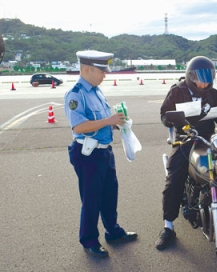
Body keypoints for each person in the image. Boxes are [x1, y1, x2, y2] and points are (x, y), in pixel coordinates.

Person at [64, 50, 137, 258]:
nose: (105, 75)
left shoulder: (97, 91)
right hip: (88, 154)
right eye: (101, 71)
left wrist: (116, 124)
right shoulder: (76, 94)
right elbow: (78, 127)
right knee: (91, 198)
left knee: (109, 194)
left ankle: (112, 231)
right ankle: (89, 240)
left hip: (104, 152)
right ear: (87, 69)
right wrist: (108, 121)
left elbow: (102, 121)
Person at [156, 56, 217, 250]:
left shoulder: (213, 94)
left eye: (208, 77)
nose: (204, 82)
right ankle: (168, 227)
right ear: (190, 76)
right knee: (173, 181)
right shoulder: (177, 91)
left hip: (207, 140)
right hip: (185, 140)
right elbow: (165, 115)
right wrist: (174, 120)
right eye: (200, 77)